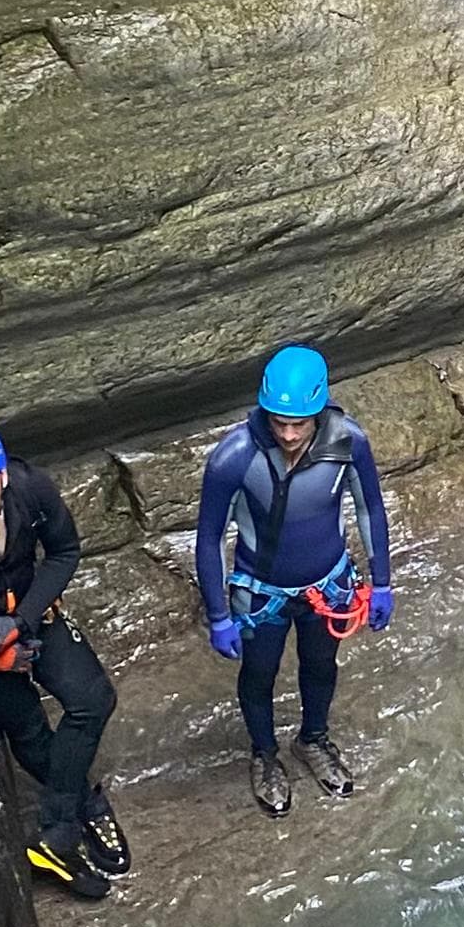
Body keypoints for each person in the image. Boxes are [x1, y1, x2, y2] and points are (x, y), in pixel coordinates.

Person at [0, 409, 125, 900]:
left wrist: (22, 622)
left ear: (3, 476)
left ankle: (58, 827)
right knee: (28, 728)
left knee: (93, 700)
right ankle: (87, 805)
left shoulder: (32, 489)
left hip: (29, 610)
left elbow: (64, 551)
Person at [195, 345, 394, 816]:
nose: (287, 434)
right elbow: (209, 538)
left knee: (321, 663)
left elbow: (370, 508)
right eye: (278, 422)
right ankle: (264, 755)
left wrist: (382, 582)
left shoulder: (348, 442)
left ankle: (313, 738)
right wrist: (218, 614)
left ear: (319, 412)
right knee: (259, 672)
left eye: (298, 424)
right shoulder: (234, 457)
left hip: (327, 583)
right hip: (260, 591)